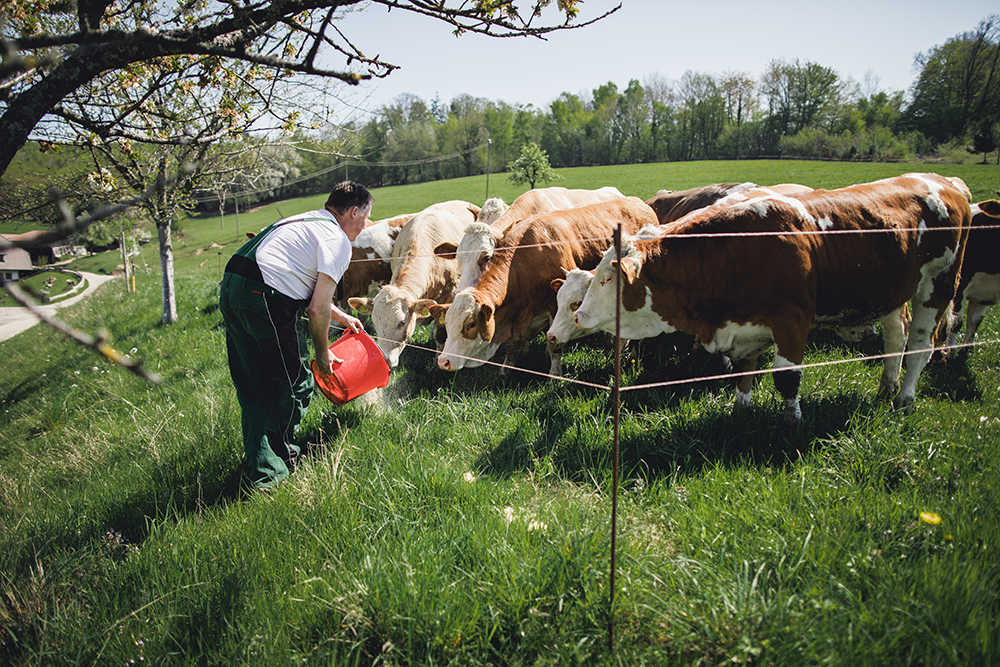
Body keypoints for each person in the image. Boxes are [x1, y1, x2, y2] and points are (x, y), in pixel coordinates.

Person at [220, 180, 371, 490]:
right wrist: (322, 353)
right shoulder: (338, 241)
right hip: (263, 295)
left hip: (233, 286)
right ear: (354, 212)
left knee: (255, 383)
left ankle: (260, 465)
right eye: (366, 217)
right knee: (294, 382)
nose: (366, 225)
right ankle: (277, 466)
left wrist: (341, 316)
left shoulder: (304, 220)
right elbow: (316, 309)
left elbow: (295, 278)